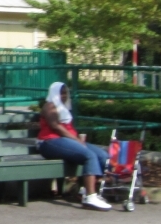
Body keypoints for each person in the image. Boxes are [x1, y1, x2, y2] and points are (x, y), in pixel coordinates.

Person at [37, 82, 112, 211]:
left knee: (102, 155)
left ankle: (84, 190)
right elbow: (56, 126)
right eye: (61, 93)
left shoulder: (63, 108)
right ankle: (90, 197)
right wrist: (77, 140)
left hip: (68, 141)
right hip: (49, 142)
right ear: (54, 93)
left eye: (66, 92)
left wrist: (77, 140)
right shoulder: (49, 106)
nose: (64, 95)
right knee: (89, 156)